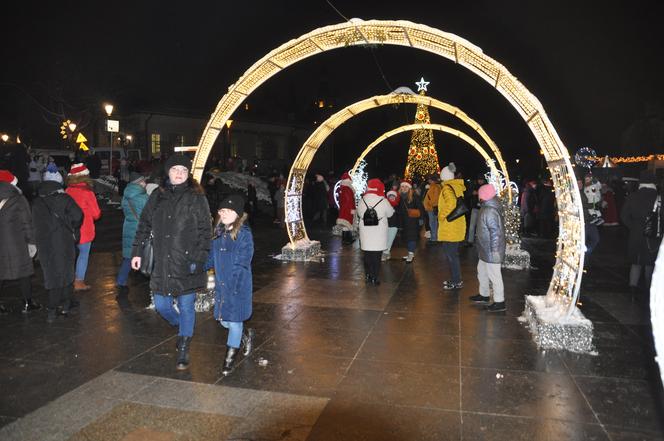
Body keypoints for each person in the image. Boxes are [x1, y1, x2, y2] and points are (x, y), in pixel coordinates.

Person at [131, 154, 211, 370]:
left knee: (186, 305)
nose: (179, 173)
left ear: (188, 174)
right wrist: (137, 251)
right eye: (175, 169)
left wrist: (199, 258)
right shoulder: (157, 195)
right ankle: (183, 328)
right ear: (168, 172)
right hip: (163, 260)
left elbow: (206, 230)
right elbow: (144, 225)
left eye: (183, 170)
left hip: (188, 260)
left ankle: (184, 343)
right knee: (162, 305)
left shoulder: (196, 197)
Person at [207, 194, 255, 375]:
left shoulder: (243, 235)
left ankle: (228, 362)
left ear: (238, 214)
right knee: (224, 321)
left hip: (237, 286)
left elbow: (243, 263)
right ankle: (245, 336)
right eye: (221, 210)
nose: (224, 213)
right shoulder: (218, 233)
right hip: (221, 286)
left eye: (228, 210)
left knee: (234, 322)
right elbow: (211, 258)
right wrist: (196, 267)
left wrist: (233, 286)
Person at [32, 170, 83, 322]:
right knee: (66, 272)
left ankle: (51, 310)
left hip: (44, 243)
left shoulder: (36, 202)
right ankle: (65, 306)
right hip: (63, 241)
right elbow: (78, 216)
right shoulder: (64, 198)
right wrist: (72, 226)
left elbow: (33, 223)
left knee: (51, 274)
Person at [0, 170, 42, 314]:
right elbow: (27, 223)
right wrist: (32, 242)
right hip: (16, 242)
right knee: (24, 272)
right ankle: (27, 302)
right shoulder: (18, 199)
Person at [620, 171, 661, 301]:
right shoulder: (659, 198)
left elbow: (623, 216)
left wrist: (633, 227)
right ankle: (649, 292)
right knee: (650, 264)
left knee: (636, 263)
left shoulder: (633, 196)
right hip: (653, 236)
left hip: (636, 235)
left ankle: (632, 291)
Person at [468, 184, 506, 312]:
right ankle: (484, 294)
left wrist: (495, 251)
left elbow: (496, 233)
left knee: (494, 275)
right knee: (482, 271)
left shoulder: (490, 211)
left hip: (491, 250)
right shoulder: (486, 208)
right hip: (485, 249)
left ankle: (499, 301)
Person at [65, 163, 102, 291]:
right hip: (84, 230)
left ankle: (68, 280)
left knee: (71, 255)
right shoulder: (87, 192)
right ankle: (79, 281)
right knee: (83, 255)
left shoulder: (68, 191)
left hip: (70, 229)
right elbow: (96, 214)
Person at [356, 179, 394, 285]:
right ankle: (374, 277)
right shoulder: (383, 200)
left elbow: (359, 213)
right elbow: (390, 213)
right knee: (376, 256)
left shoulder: (362, 199)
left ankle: (368, 275)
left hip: (366, 230)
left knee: (367, 254)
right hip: (379, 231)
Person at [117, 173, 149, 294]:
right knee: (147, 253)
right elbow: (149, 214)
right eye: (143, 181)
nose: (145, 184)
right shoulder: (143, 197)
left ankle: (121, 281)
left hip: (128, 226)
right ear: (139, 183)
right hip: (141, 228)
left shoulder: (125, 196)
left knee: (128, 256)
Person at [438, 163, 467, 290]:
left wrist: (441, 216)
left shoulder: (446, 188)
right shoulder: (456, 187)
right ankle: (456, 279)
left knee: (451, 256)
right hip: (457, 224)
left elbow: (450, 204)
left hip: (450, 226)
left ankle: (456, 281)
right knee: (452, 255)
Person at [398, 180, 426, 263]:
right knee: (407, 237)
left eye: (406, 186)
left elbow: (421, 208)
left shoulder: (414, 196)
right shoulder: (400, 197)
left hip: (413, 221)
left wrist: (421, 219)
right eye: (402, 186)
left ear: (409, 188)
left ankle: (411, 254)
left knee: (411, 237)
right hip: (404, 221)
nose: (404, 188)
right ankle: (410, 253)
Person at [336, 172, 356, 244]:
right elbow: (349, 200)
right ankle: (348, 240)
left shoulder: (342, 188)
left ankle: (345, 239)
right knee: (348, 223)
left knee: (345, 224)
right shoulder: (348, 189)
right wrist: (352, 209)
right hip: (348, 209)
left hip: (343, 208)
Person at [466, 176, 486, 246]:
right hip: (475, 208)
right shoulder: (475, 186)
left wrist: (479, 193)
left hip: (482, 209)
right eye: (479, 180)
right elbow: (468, 195)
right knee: (472, 225)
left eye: (481, 180)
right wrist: (472, 193)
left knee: (481, 225)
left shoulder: (485, 187)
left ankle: (480, 241)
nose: (480, 181)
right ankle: (470, 241)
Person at [382, 186, 401, 261]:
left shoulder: (398, 205)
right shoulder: (385, 204)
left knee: (390, 239)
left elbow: (401, 214)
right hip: (385, 225)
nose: (392, 198)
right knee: (385, 238)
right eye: (390, 196)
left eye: (393, 196)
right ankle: (386, 252)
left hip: (394, 225)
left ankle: (386, 252)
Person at [423, 174, 441, 243]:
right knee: (434, 223)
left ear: (432, 180)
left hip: (432, 208)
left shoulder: (435, 187)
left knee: (432, 223)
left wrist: (429, 204)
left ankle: (434, 238)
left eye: (429, 179)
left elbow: (435, 199)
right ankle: (434, 237)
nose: (428, 180)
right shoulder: (433, 186)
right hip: (431, 208)